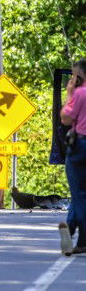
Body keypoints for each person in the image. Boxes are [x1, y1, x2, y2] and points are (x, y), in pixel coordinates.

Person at [59, 59, 86, 255]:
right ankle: (70, 229)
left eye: (75, 75)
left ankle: (80, 237)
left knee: (78, 193)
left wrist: (69, 96)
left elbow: (66, 118)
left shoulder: (79, 93)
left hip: (81, 145)